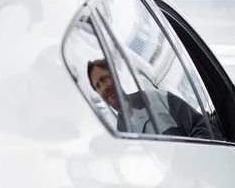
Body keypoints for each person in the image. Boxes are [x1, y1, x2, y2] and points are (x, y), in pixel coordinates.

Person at [87, 59, 215, 139]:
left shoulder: (157, 98)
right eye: (97, 86)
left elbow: (203, 129)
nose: (103, 88)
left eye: (104, 79)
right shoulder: (121, 136)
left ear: (116, 76)